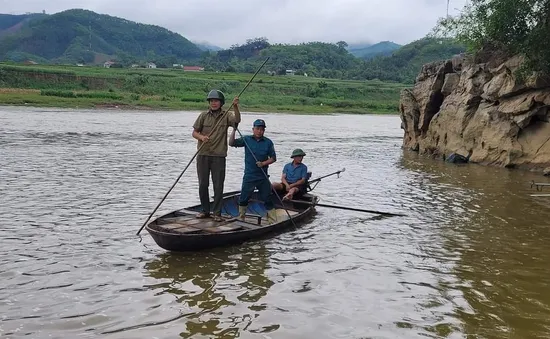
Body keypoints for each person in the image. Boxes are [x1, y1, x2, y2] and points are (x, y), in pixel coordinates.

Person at [192, 89, 241, 221]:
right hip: (203, 154)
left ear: (221, 103)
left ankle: (217, 213)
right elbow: (194, 133)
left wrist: (236, 106)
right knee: (203, 184)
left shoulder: (227, 115)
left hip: (219, 156)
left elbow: (236, 121)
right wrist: (202, 137)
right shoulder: (203, 115)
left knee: (218, 185)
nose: (214, 103)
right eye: (211, 101)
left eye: (216, 101)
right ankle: (205, 210)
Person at [229, 119, 278, 224]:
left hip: (262, 176)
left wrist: (263, 163)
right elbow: (231, 143)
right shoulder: (246, 139)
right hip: (249, 175)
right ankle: (241, 217)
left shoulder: (268, 142)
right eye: (257, 129)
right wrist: (234, 130)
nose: (259, 131)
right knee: (243, 198)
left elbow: (273, 158)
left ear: (264, 130)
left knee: (267, 198)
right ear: (253, 129)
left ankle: (273, 221)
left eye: (262, 129)